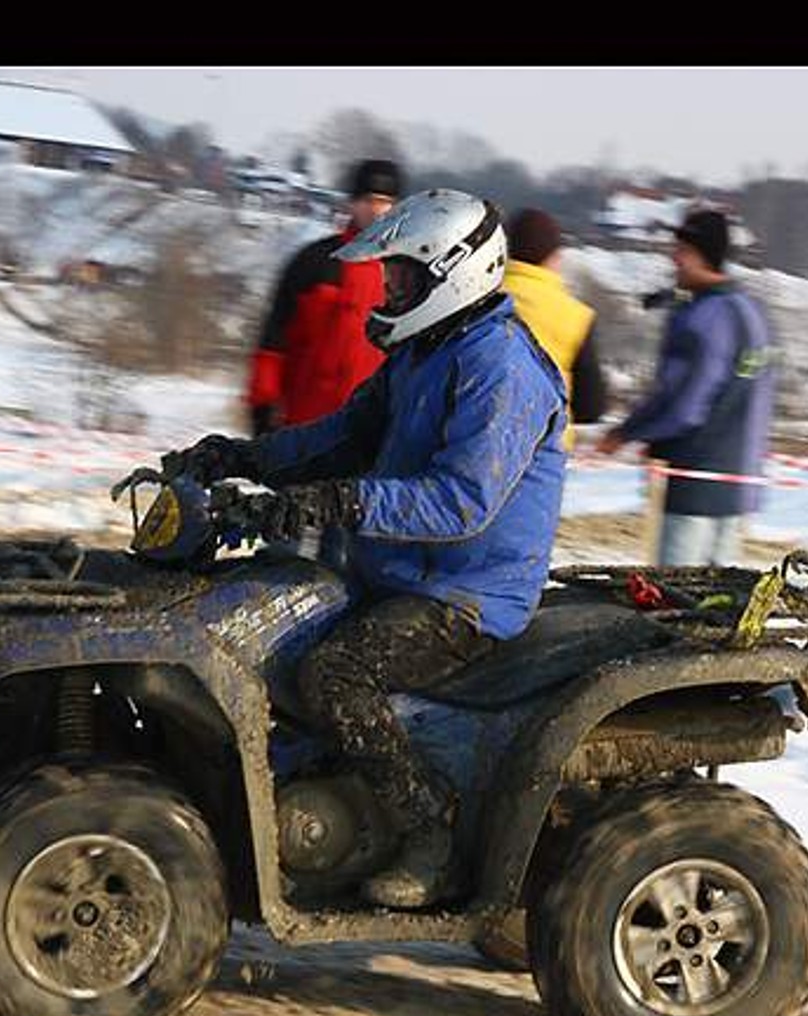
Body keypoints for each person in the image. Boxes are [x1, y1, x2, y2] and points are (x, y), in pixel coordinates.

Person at [161, 190, 569, 909]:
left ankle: (430, 829)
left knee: (334, 674)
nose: (390, 291)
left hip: (464, 594)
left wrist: (343, 501)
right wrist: (243, 459)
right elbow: (339, 436)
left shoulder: (501, 368)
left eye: (404, 279)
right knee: (260, 625)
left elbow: (461, 503)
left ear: (455, 274)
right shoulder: (427, 350)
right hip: (398, 569)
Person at [246, 159, 405, 566]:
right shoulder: (315, 263)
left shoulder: (407, 278)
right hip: (306, 432)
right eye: (369, 200)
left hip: (370, 442)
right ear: (352, 203)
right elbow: (273, 340)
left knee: (346, 556)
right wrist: (263, 407)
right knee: (284, 543)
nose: (377, 211)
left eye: (387, 201)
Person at [599, 209, 776, 567]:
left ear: (701, 253)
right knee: (716, 604)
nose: (673, 258)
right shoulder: (752, 313)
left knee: (674, 600)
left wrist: (626, 432)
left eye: (680, 249)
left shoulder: (701, 320)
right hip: (738, 482)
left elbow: (682, 404)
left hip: (692, 483)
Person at [500, 208, 608, 446]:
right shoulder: (576, 316)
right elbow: (591, 407)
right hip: (543, 454)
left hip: (474, 446)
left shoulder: (476, 300)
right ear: (554, 257)